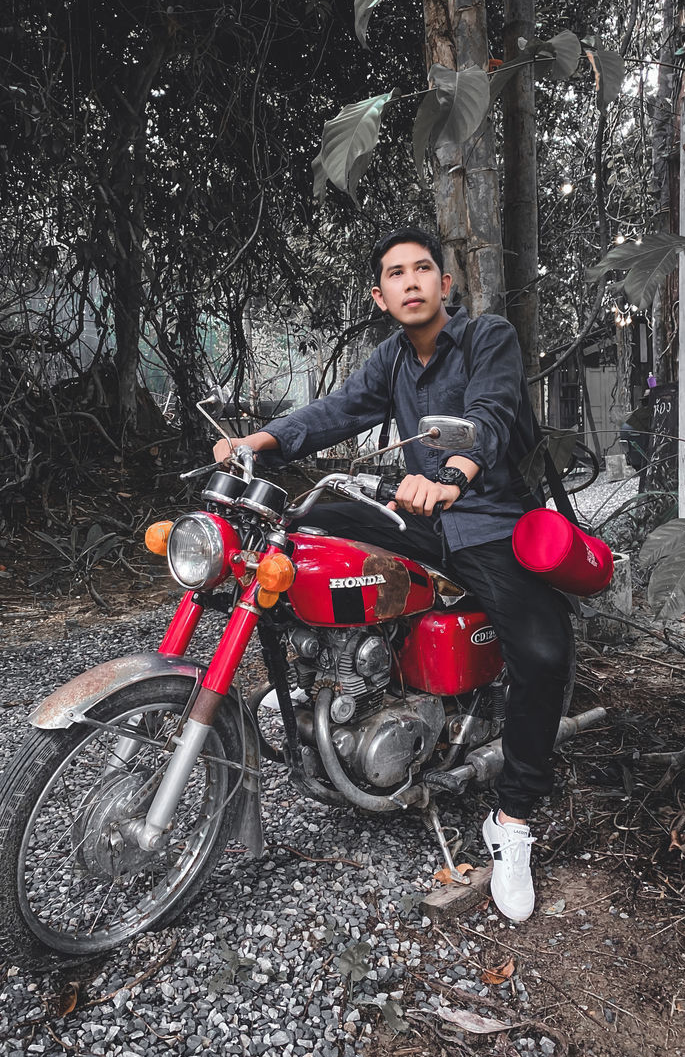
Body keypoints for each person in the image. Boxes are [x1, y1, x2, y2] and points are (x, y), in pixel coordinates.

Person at [213, 227, 575, 922]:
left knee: (542, 650)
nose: (411, 281)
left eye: (422, 269)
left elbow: (492, 413)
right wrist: (256, 443)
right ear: (380, 297)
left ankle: (513, 821)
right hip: (417, 515)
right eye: (395, 274)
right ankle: (334, 689)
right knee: (296, 536)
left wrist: (453, 474)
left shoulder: (487, 338)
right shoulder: (390, 359)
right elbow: (337, 410)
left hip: (487, 517)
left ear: (444, 284)